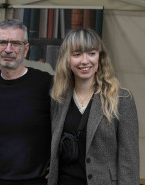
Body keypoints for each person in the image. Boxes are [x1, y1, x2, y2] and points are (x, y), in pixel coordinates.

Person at [48, 28, 139, 185]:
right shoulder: (59, 99)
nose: (85, 61)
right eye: (77, 54)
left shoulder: (122, 99)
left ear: (100, 57)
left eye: (91, 53)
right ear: (67, 59)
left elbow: (129, 161)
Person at [0, 19, 51, 185]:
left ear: (26, 49)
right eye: (3, 42)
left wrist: (58, 163)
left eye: (16, 43)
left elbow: (65, 127)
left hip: (35, 180)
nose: (8, 49)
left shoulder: (46, 84)